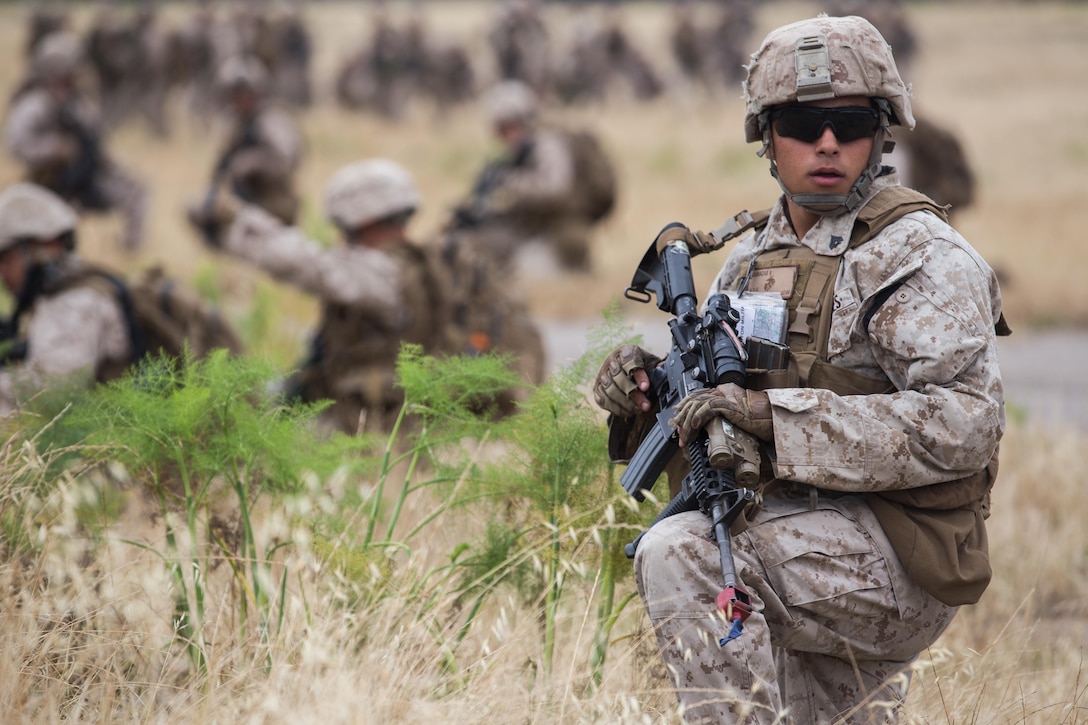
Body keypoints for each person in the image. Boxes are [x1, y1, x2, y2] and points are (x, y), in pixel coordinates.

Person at [592, 15, 1008, 723]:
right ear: (766, 137)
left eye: (848, 122)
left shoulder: (920, 256)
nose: (826, 142)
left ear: (880, 132)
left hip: (903, 550)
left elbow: (966, 425)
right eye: (801, 122)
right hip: (796, 528)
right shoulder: (752, 256)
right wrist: (647, 390)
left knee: (678, 553)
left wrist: (772, 419)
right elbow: (726, 392)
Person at [196, 159, 455, 436]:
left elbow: (304, 262)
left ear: (362, 219)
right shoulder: (413, 265)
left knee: (243, 432)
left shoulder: (380, 273)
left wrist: (236, 218)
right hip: (357, 408)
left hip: (365, 425)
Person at [5, 31, 148, 251]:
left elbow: (93, 138)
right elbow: (17, 144)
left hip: (87, 179)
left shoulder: (78, 102)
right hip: (52, 183)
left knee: (137, 191)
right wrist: (55, 148)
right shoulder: (35, 104)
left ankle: (129, 250)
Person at [454, 80, 616, 273]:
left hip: (561, 233)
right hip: (541, 226)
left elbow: (555, 188)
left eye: (504, 128)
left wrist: (509, 183)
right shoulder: (524, 150)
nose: (500, 137)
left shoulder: (547, 143)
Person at [0, 182, 133, 416]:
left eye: (6, 258)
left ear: (45, 246)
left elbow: (54, 394)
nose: (2, 272)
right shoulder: (57, 297)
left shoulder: (75, 303)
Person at [197, 54, 303, 227]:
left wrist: (254, 163)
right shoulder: (233, 122)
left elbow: (288, 163)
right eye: (235, 95)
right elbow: (222, 164)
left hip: (274, 202)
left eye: (244, 95)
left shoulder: (272, 120)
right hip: (246, 200)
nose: (239, 101)